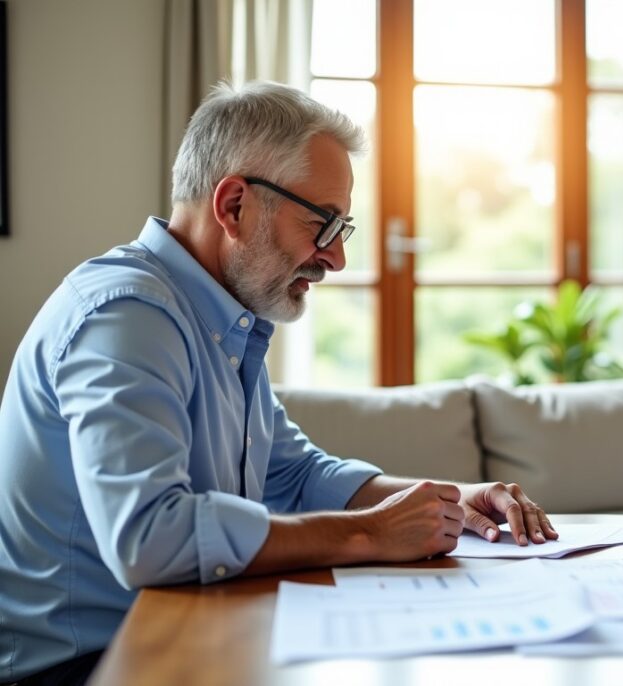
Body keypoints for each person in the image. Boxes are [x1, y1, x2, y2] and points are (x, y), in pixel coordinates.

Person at [0, 81, 557, 685]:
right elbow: (149, 538)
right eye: (322, 223)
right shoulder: (128, 316)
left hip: (180, 630)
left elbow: (294, 475)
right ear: (234, 204)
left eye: (341, 229)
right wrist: (371, 533)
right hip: (86, 666)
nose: (336, 258)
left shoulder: (217, 317)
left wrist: (450, 497)